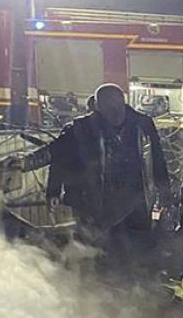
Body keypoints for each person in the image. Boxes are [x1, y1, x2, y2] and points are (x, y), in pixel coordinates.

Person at [46, 83, 171, 264]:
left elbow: (156, 159)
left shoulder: (142, 124)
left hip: (136, 203)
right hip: (94, 205)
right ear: (97, 106)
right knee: (97, 255)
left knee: (135, 254)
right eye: (108, 107)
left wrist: (164, 193)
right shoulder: (81, 128)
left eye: (116, 106)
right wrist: (53, 191)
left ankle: (132, 279)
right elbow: (59, 158)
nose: (113, 113)